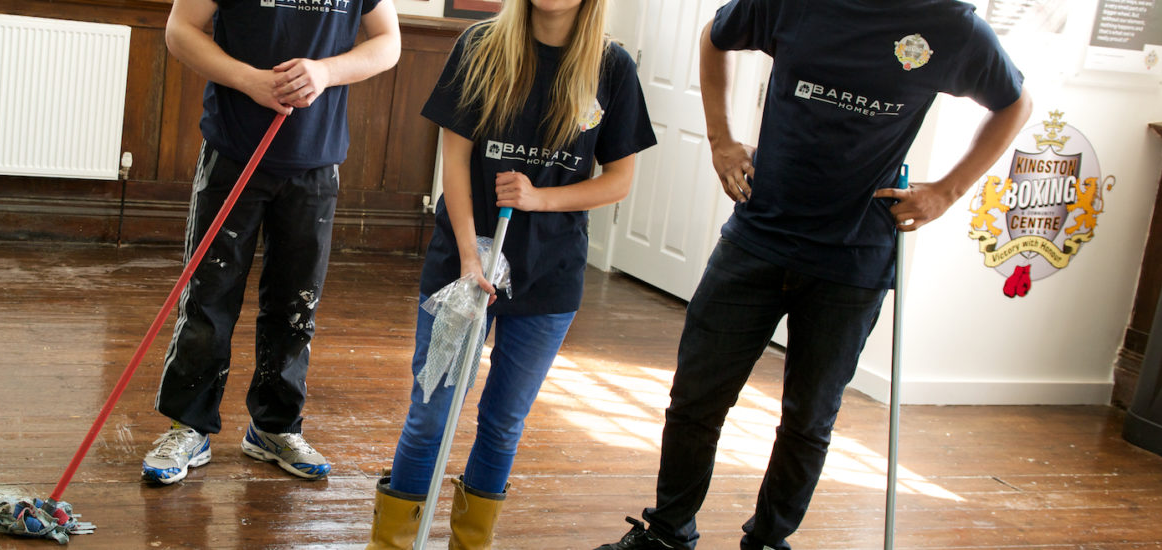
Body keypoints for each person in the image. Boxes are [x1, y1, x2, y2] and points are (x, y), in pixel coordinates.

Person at [596, 1, 1032, 549]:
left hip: (853, 259)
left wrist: (948, 189)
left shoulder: (950, 23)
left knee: (809, 420)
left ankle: (769, 540)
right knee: (695, 400)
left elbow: (1015, 103)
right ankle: (667, 534)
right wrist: (720, 140)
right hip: (758, 236)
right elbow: (715, 35)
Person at [364, 0, 655, 547]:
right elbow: (452, 164)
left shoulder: (610, 65)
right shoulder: (479, 46)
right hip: (463, 269)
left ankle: (470, 540)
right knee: (431, 414)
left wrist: (540, 198)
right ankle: (393, 541)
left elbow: (617, 181)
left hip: (550, 276)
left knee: (502, 424)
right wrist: (471, 257)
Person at [143, 0, 400, 485]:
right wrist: (248, 79)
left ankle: (274, 427)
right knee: (209, 298)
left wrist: (325, 72)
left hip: (314, 162)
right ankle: (190, 426)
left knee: (296, 303)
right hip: (234, 151)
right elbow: (181, 31)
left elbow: (389, 43)